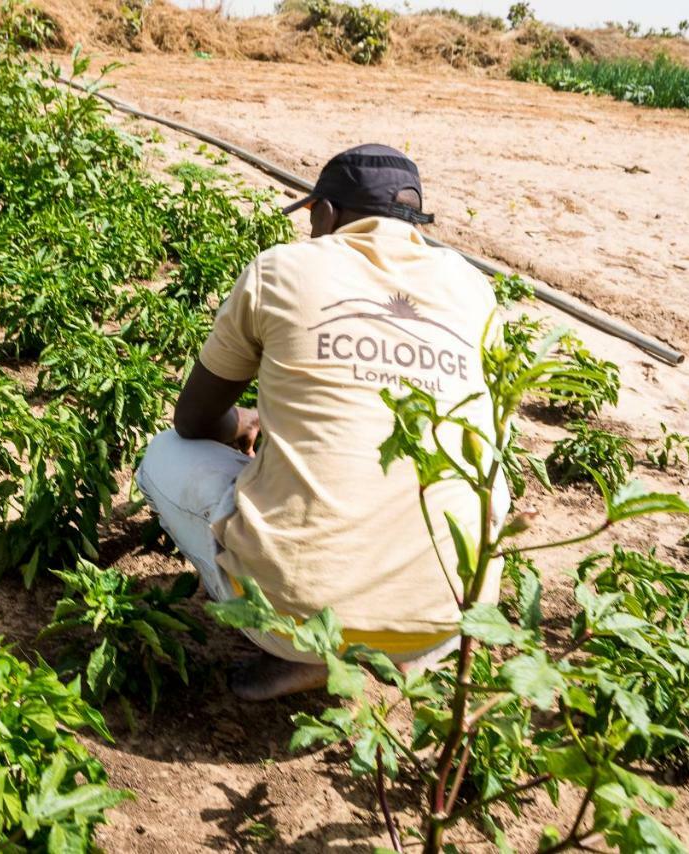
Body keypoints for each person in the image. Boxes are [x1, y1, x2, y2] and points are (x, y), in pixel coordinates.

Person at [135, 144, 509, 700]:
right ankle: (401, 650)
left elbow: (192, 417)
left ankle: (309, 650)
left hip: (293, 618)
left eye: (313, 216)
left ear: (326, 214)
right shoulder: (475, 289)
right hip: (453, 618)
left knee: (164, 454)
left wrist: (246, 425)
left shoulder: (283, 268)